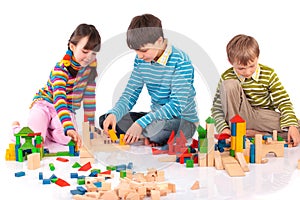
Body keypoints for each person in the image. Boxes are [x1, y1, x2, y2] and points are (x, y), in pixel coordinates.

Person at [99, 14, 199, 146]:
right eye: (136, 51)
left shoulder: (181, 61)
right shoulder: (141, 61)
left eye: (144, 50)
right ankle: (144, 135)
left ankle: (145, 135)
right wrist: (115, 114)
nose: (139, 56)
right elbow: (130, 94)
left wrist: (141, 123)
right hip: (155, 118)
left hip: (182, 121)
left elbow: (176, 106)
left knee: (158, 131)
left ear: (159, 41)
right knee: (106, 119)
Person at [11, 23, 101, 149]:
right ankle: (16, 129)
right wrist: (69, 127)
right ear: (72, 46)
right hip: (45, 105)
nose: (89, 57)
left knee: (70, 139)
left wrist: (90, 129)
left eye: (94, 53)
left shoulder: (90, 71)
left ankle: (47, 129)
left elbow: (89, 100)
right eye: (85, 51)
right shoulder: (60, 69)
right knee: (33, 141)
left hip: (66, 110)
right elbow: (60, 100)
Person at [211, 34, 300, 146]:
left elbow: (283, 101)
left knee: (295, 127)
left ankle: (260, 134)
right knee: (229, 84)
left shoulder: (269, 74)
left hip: (261, 117)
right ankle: (237, 131)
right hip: (237, 117)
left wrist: (292, 125)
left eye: (252, 66)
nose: (247, 72)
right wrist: (224, 129)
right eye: (241, 68)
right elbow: (217, 108)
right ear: (230, 61)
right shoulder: (227, 76)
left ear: (257, 57)